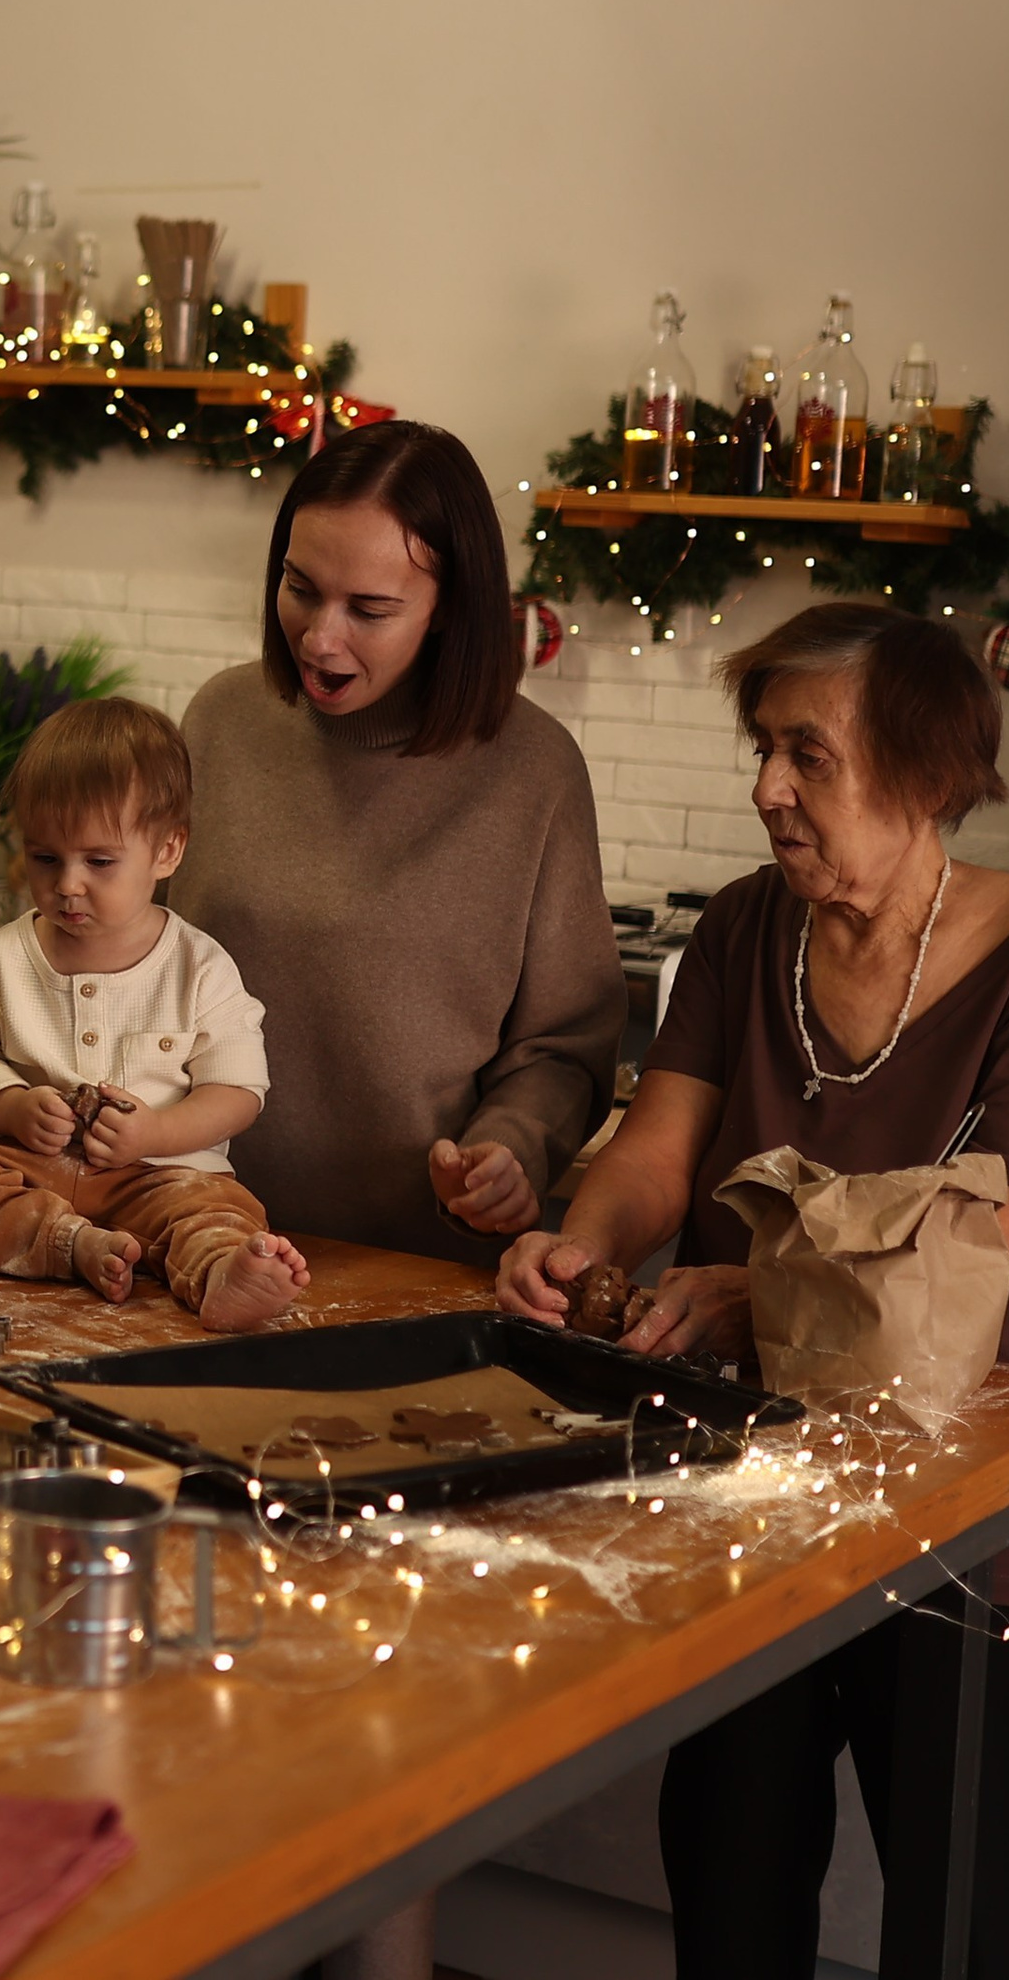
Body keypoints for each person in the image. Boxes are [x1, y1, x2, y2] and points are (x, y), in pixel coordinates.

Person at [496, 601, 1009, 1980]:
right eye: (764, 748)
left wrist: (758, 1292)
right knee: (731, 1880)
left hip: (951, 1515)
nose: (766, 786)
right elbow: (655, 1153)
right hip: (746, 1490)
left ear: (926, 774)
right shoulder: (741, 929)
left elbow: (979, 1252)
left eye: (808, 754)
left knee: (960, 1908)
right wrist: (585, 1240)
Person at [168, 420, 626, 1265]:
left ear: (449, 607)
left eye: (369, 610)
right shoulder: (222, 721)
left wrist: (515, 1146)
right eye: (300, 588)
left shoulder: (534, 771)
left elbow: (565, 1044)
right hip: (186, 1239)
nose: (319, 637)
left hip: (410, 1267)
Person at [0, 698, 308, 1328]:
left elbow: (239, 1089)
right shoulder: (4, 957)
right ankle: (68, 1245)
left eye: (99, 862)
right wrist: (11, 1107)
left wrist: (156, 1134)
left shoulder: (201, 965)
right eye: (45, 858)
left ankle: (221, 1273)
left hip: (159, 1178)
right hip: (29, 1173)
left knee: (220, 1209)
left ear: (167, 851)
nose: (68, 884)